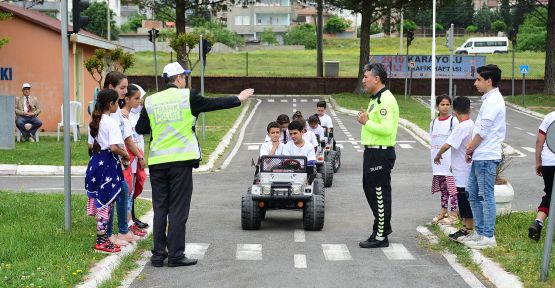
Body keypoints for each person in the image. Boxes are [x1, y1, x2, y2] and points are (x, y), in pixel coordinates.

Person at [136, 62, 254, 267]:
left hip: (157, 162)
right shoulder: (187, 96)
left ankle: (157, 256)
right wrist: (239, 99)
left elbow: (141, 128)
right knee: (178, 210)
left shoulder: (151, 101)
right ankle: (175, 256)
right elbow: (212, 104)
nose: (185, 80)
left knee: (160, 208)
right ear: (179, 78)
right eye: (184, 77)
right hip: (180, 162)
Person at [356, 63, 399, 249]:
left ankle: (381, 235)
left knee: (380, 193)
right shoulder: (375, 99)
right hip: (372, 151)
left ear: (377, 79)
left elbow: (387, 128)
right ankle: (380, 229)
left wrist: (367, 122)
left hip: (381, 152)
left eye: (366, 77)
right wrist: (367, 118)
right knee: (370, 190)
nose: (363, 80)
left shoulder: (385, 100)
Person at [464, 64, 506, 250]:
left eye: (479, 79)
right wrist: (473, 151)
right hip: (480, 155)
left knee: (484, 195)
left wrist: (469, 148)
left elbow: (482, 131)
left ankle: (488, 236)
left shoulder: (494, 101)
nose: (476, 83)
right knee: (472, 193)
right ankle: (480, 232)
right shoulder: (489, 99)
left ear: (489, 81)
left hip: (487, 156)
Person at [85, 88, 130, 254]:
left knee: (102, 202)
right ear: (111, 104)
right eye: (117, 102)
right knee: (106, 203)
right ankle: (101, 240)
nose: (118, 105)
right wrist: (126, 155)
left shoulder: (95, 121)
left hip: (95, 163)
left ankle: (103, 238)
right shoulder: (111, 122)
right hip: (108, 166)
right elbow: (114, 147)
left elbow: (90, 146)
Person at [433, 96, 475, 242]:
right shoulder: (471, 124)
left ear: (454, 110)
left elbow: (447, 144)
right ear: (469, 109)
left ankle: (467, 229)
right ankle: (465, 228)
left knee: (464, 200)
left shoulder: (461, 127)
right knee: (465, 200)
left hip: (462, 172)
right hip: (465, 167)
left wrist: (438, 155)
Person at [121, 84, 148, 237]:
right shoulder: (124, 116)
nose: (139, 102)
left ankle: (130, 222)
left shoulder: (131, 114)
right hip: (129, 158)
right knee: (128, 193)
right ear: (127, 99)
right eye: (136, 99)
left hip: (134, 158)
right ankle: (127, 225)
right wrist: (140, 156)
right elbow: (129, 141)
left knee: (131, 192)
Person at [429, 95, 459, 225]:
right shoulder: (433, 123)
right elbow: (432, 140)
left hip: (450, 161)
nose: (445, 107)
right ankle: (443, 211)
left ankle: (454, 213)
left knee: (453, 189)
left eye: (448, 105)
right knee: (443, 188)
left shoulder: (454, 121)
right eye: (442, 104)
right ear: (437, 107)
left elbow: (456, 141)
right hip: (438, 162)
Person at [528, 111, 555, 241]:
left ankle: (538, 222)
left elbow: (539, 141)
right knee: (551, 195)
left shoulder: (549, 117)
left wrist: (538, 162)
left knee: (550, 194)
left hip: (549, 163)